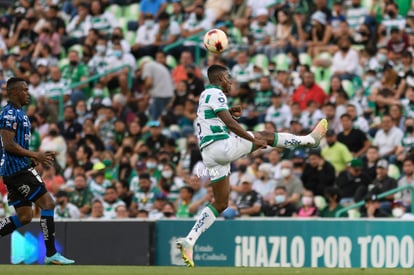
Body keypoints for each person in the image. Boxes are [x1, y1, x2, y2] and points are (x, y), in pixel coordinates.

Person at [176, 65, 328, 267]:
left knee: (221, 203)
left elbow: (215, 119)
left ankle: (190, 241)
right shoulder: (216, 92)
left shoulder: (205, 96)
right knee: (264, 135)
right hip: (221, 146)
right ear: (221, 77)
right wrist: (250, 138)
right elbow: (230, 124)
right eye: (228, 77)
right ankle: (309, 140)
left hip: (210, 155)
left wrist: (232, 113)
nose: (230, 81)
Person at [0, 77, 74, 264]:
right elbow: (8, 144)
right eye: (24, 90)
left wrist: (30, 159)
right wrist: (35, 155)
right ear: (14, 92)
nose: (28, 93)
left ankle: (51, 254)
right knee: (48, 204)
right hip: (17, 171)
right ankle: (50, 254)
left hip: (17, 170)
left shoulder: (21, 113)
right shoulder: (9, 114)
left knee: (25, 216)